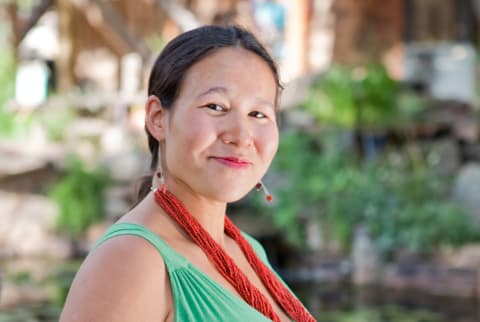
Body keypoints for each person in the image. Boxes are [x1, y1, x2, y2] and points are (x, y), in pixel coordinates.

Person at [60, 25, 315, 322]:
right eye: (216, 107)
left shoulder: (247, 249)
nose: (242, 136)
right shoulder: (131, 258)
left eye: (258, 114)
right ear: (157, 118)